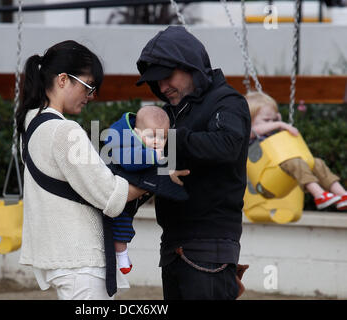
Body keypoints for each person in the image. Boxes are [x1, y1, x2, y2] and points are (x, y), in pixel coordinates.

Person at [16, 40, 147, 300]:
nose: (91, 96)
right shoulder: (65, 131)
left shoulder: (30, 123)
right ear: (63, 79)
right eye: (88, 87)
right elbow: (109, 195)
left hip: (60, 258)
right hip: (81, 260)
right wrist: (160, 178)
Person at [136, 26, 251, 300]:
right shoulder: (170, 113)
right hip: (172, 247)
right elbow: (159, 167)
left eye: (167, 77)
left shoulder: (227, 102)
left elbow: (228, 145)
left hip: (209, 247)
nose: (162, 87)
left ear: (192, 66)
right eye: (156, 81)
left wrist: (170, 138)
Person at [246, 91, 347, 210]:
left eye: (273, 119)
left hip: (281, 175)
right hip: (265, 184)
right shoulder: (248, 134)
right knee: (295, 162)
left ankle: (342, 195)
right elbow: (254, 130)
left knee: (316, 162)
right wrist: (279, 123)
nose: (272, 123)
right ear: (249, 120)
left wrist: (277, 122)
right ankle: (319, 195)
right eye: (267, 120)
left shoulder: (272, 133)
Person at [105, 105, 170, 274]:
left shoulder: (147, 146)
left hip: (128, 195)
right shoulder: (126, 143)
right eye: (151, 136)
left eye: (162, 137)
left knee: (124, 223)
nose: (157, 141)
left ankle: (121, 254)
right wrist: (155, 157)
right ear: (136, 133)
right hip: (113, 193)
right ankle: (122, 256)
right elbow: (129, 162)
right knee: (121, 224)